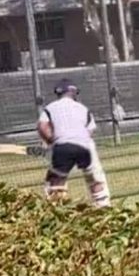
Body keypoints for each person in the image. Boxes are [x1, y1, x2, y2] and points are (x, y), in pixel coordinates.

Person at [37, 79, 110, 207]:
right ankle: (104, 207)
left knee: (55, 181)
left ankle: (56, 210)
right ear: (74, 93)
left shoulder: (50, 108)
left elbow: (42, 126)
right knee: (94, 179)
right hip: (86, 147)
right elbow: (90, 129)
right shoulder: (83, 108)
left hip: (63, 146)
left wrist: (51, 141)